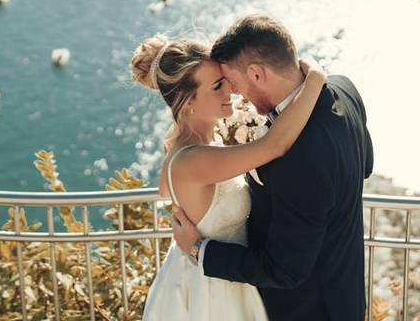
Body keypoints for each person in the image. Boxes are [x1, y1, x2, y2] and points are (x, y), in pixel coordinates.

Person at [171, 15, 374, 320]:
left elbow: (285, 270)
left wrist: (200, 250)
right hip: (346, 295)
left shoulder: (299, 159)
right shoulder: (342, 88)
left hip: (308, 310)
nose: (234, 93)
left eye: (235, 83)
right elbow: (365, 164)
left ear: (256, 73)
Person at [131, 31, 328, 320]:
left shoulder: (192, 143)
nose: (231, 91)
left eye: (226, 81)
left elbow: (166, 189)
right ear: (188, 102)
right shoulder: (193, 159)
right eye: (217, 86)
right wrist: (316, 81)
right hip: (212, 290)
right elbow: (275, 145)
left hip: (222, 273)